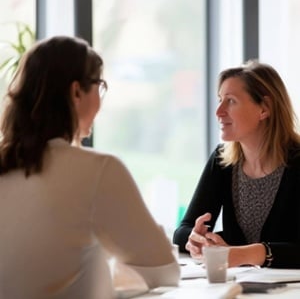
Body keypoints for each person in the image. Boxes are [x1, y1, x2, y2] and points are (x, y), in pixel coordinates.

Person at [0, 36, 180, 299]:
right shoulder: (99, 170)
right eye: (99, 85)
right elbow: (165, 272)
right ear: (76, 92)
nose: (101, 99)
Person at [173, 60, 300, 269]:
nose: (219, 111)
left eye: (231, 101)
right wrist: (199, 240)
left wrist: (244, 254)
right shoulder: (222, 160)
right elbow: (183, 231)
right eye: (220, 100)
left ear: (264, 109)